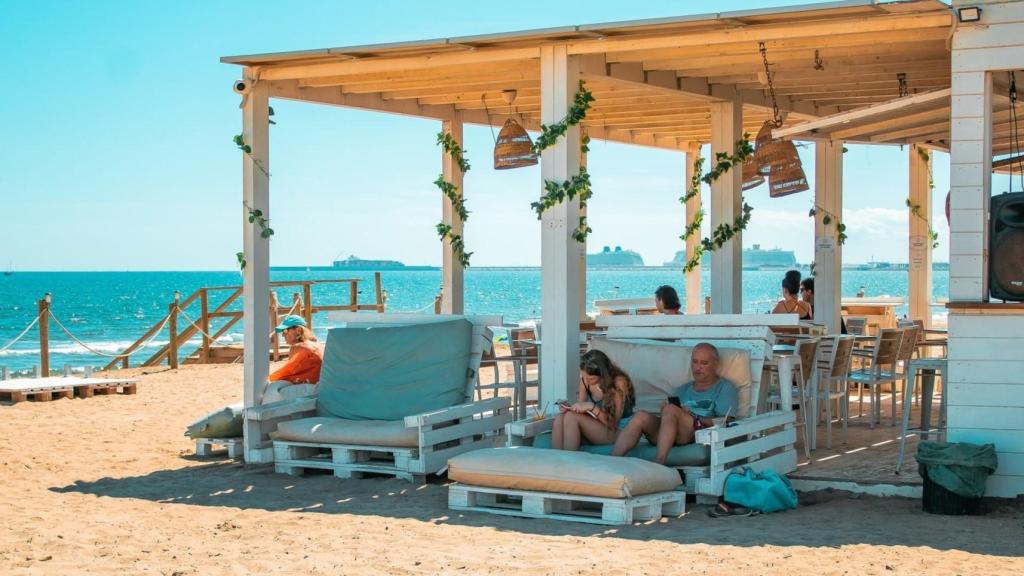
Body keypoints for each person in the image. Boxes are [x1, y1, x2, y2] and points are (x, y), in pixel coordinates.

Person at [612, 343, 737, 464]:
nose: (697, 367)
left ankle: (659, 462)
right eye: (695, 361)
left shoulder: (725, 388)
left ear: (715, 364)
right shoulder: (682, 389)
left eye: (704, 363)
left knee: (671, 409)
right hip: (671, 432)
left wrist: (695, 417)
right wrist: (665, 411)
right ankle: (612, 460)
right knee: (640, 416)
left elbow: (726, 421)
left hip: (696, 433)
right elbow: (670, 417)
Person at [551, 349, 636, 451]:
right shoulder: (585, 381)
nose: (586, 380)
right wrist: (570, 408)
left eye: (591, 378)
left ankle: (570, 462)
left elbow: (612, 423)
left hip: (621, 430)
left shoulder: (619, 382)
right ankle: (557, 461)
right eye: (583, 376)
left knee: (571, 417)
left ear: (603, 374)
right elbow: (580, 409)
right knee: (561, 417)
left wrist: (591, 407)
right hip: (599, 424)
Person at [262, 315, 324, 404]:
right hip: (320, 387)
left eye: (285, 330)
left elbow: (285, 373)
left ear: (298, 330)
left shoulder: (298, 347)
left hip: (311, 389)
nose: (283, 335)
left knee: (272, 388)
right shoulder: (317, 344)